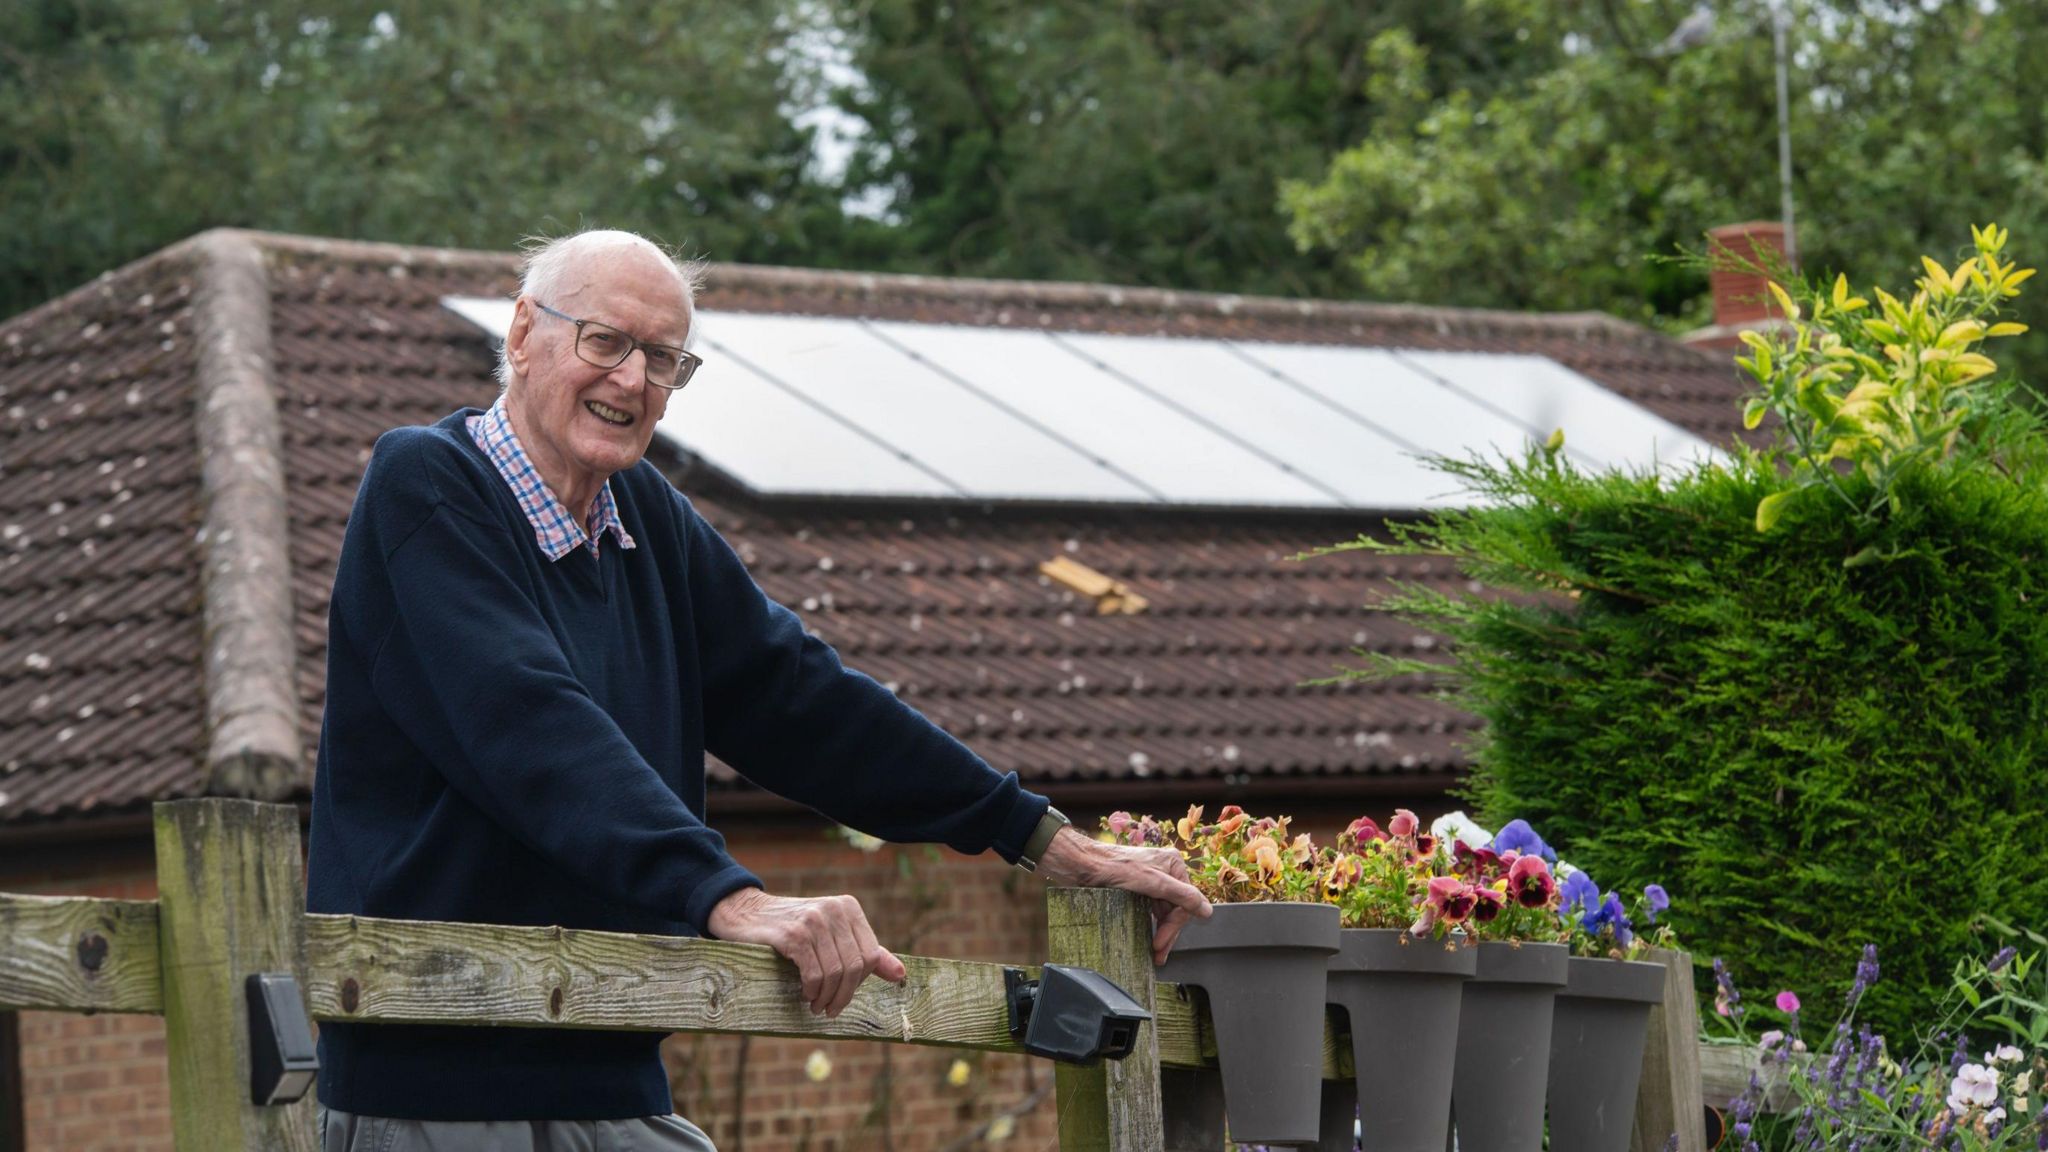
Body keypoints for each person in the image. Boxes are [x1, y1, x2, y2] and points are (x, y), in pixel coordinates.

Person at [306, 229, 1209, 1152]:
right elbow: (528, 722)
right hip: (435, 1083)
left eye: (664, 359)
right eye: (605, 342)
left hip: (613, 1076)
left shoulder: (647, 522)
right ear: (525, 333)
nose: (632, 381)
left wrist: (1040, 838)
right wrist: (728, 898)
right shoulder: (425, 485)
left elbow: (805, 701)